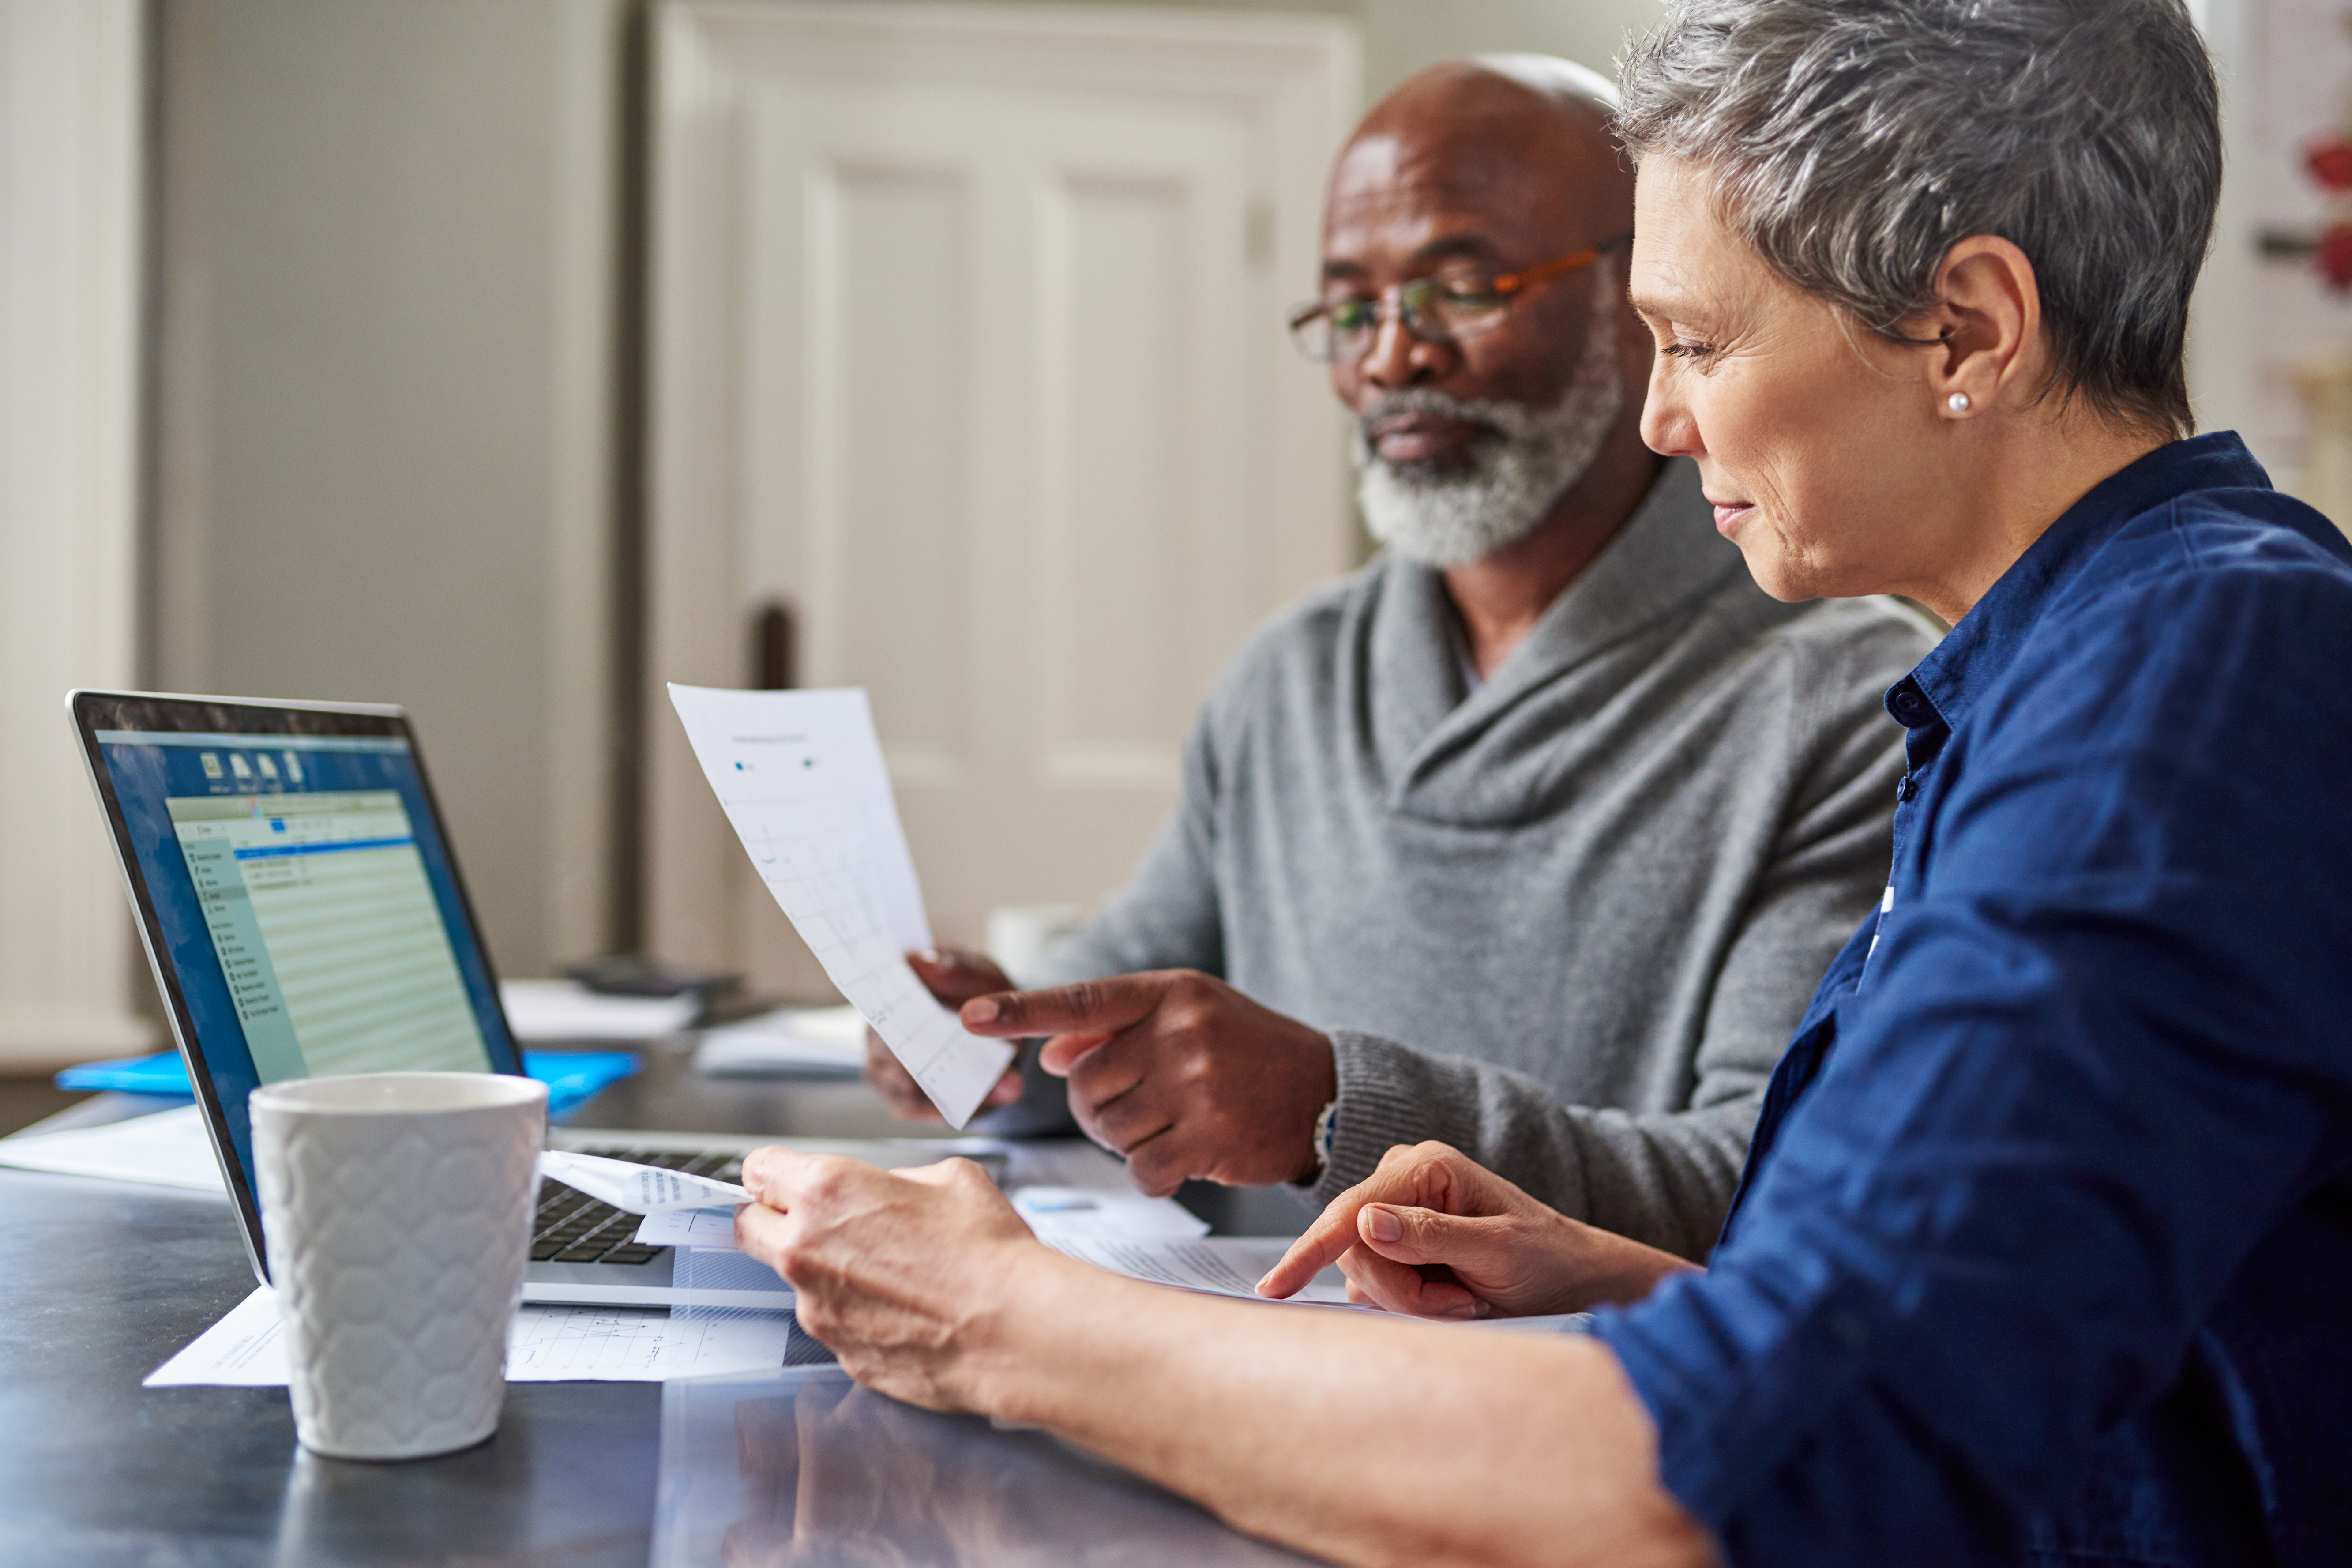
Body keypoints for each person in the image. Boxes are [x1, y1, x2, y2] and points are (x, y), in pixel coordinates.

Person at [731, 0, 2352, 1562]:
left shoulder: (2188, 680)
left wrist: (1004, 1320)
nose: (1658, 416)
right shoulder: (2068, 668)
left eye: (1698, 341)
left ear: (1969, 330)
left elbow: (1759, 1473)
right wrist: (1628, 1284)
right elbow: (1989, 1341)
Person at [868, 56, 1933, 1259]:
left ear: (1644, 300)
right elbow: (1129, 1017)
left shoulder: (1853, 706)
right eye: (1351, 308)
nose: (1389, 360)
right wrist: (997, 1036)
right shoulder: (1292, 679)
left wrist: (1337, 1110)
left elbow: (1767, 1176)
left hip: (1556, 1417)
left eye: (1461, 288)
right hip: (1229, 1368)